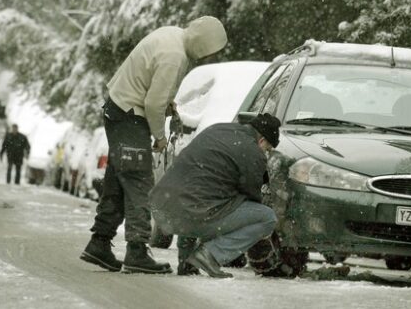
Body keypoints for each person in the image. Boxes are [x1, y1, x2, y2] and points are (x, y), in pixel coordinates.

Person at [80, 16, 228, 274]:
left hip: (118, 109)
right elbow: (152, 104)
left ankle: (99, 242)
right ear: (203, 45)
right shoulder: (175, 56)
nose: (206, 58)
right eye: (209, 53)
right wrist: (160, 137)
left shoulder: (171, 34)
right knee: (140, 182)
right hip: (129, 115)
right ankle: (137, 251)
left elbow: (154, 84)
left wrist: (168, 102)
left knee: (118, 181)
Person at [149, 113, 281, 278]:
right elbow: (252, 196)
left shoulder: (217, 129)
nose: (266, 153)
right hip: (193, 213)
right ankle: (211, 255)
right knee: (266, 217)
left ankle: (186, 261)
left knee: (198, 194)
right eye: (267, 149)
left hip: (165, 206)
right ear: (261, 140)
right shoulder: (253, 151)